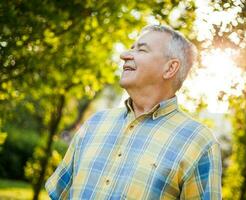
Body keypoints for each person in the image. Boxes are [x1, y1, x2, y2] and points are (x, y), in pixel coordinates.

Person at [45, 25, 222, 199]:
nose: (125, 56)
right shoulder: (95, 123)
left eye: (141, 50)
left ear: (170, 68)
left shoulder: (199, 141)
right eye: (131, 49)